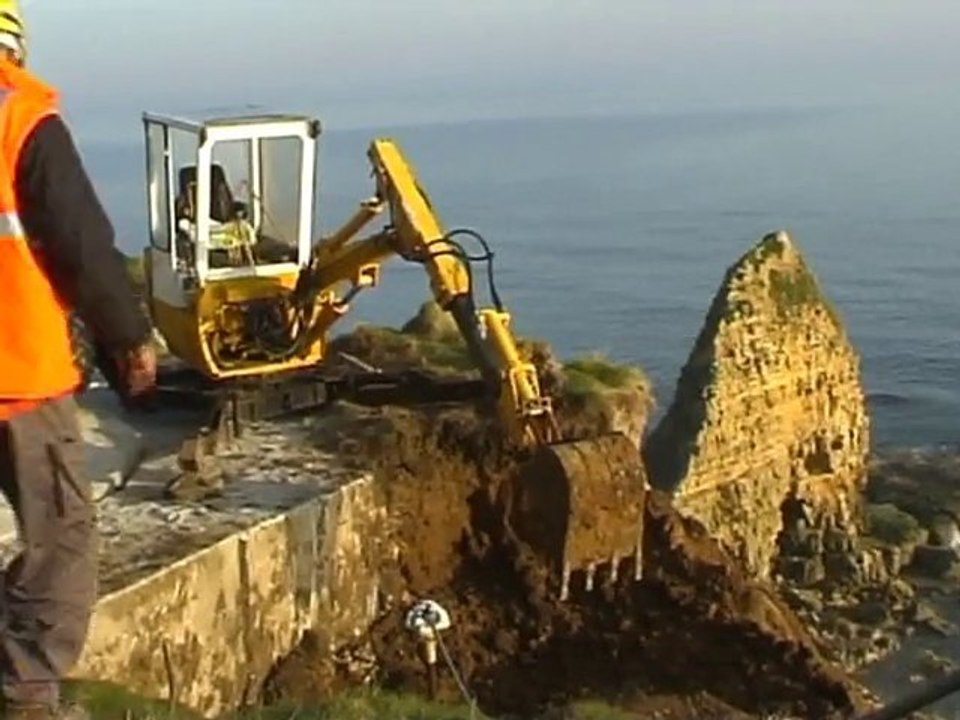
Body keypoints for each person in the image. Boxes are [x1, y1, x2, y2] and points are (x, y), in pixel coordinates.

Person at [0, 2, 157, 718]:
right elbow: (81, 242)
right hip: (19, 376)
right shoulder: (21, 117)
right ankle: (26, 693)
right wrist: (126, 337)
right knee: (61, 539)